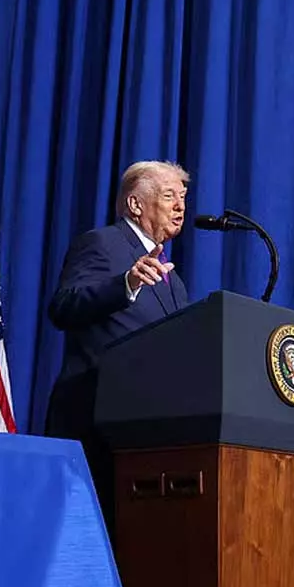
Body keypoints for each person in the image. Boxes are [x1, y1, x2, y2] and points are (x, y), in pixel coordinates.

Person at [46, 161, 191, 531]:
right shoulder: (102, 244)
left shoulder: (173, 281)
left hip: (147, 435)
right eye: (169, 196)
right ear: (135, 204)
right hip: (95, 424)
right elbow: (64, 306)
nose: (180, 206)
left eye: (183, 197)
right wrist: (125, 284)